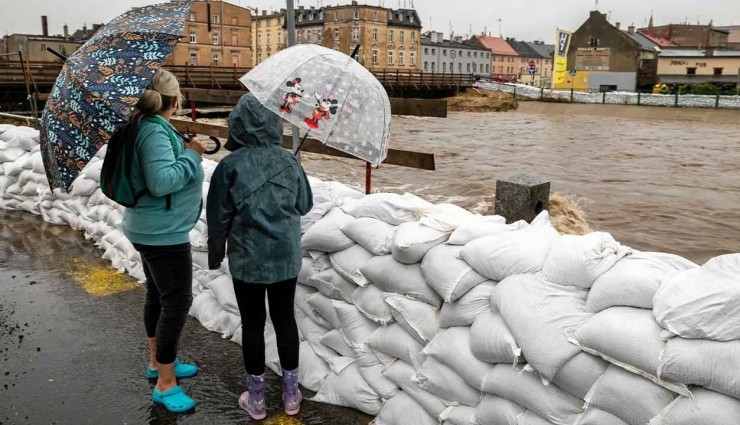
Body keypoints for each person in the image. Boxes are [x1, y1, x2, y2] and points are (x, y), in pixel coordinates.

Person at [207, 93, 313, 420]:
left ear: (237, 125)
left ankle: (256, 401)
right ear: (272, 124)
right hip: (285, 258)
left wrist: (215, 254)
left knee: (252, 325)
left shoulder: (229, 167)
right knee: (285, 321)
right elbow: (304, 205)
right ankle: (291, 395)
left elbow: (218, 217)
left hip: (247, 259)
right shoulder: (289, 162)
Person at [121, 69, 207, 413]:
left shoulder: (142, 125)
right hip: (162, 233)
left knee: (158, 295)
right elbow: (160, 182)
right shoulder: (153, 131)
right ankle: (166, 383)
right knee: (177, 301)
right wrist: (192, 156)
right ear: (173, 100)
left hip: (150, 226)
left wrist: (182, 147)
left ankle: (158, 362)